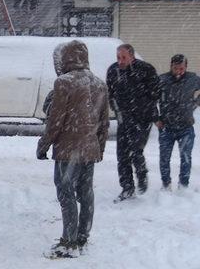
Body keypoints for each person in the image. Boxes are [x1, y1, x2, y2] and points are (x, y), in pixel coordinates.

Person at [37, 40, 109, 259]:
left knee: (66, 192)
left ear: (65, 58)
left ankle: (69, 242)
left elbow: (55, 120)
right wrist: (100, 148)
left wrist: (44, 144)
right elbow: (104, 122)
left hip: (68, 149)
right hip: (89, 149)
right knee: (86, 193)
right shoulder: (99, 83)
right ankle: (82, 237)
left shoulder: (64, 83)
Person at [106, 43, 160, 201]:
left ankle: (142, 176)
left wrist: (148, 111)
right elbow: (110, 92)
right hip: (124, 117)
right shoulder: (113, 70)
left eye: (124, 57)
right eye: (118, 57)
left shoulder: (146, 69)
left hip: (142, 118)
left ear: (132, 56)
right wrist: (115, 108)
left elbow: (155, 92)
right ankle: (127, 188)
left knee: (136, 150)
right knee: (122, 155)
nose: (120, 61)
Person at [156, 54, 200, 190]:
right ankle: (166, 184)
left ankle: (183, 185)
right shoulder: (162, 80)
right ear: (171, 66)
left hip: (186, 127)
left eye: (181, 68)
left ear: (186, 67)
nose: (179, 71)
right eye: (176, 68)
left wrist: (196, 103)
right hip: (166, 126)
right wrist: (156, 118)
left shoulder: (192, 79)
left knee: (186, 158)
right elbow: (150, 98)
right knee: (164, 158)